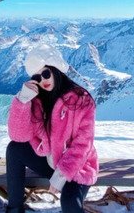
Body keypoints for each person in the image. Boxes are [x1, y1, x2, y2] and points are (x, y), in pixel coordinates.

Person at [5, 45, 98, 213]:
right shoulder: (37, 100)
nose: (43, 80)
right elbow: (18, 135)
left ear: (56, 70)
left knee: (70, 202)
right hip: (49, 160)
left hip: (76, 165)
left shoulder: (81, 100)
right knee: (14, 149)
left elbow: (84, 143)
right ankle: (14, 209)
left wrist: (62, 173)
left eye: (46, 73)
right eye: (37, 77)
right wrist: (23, 101)